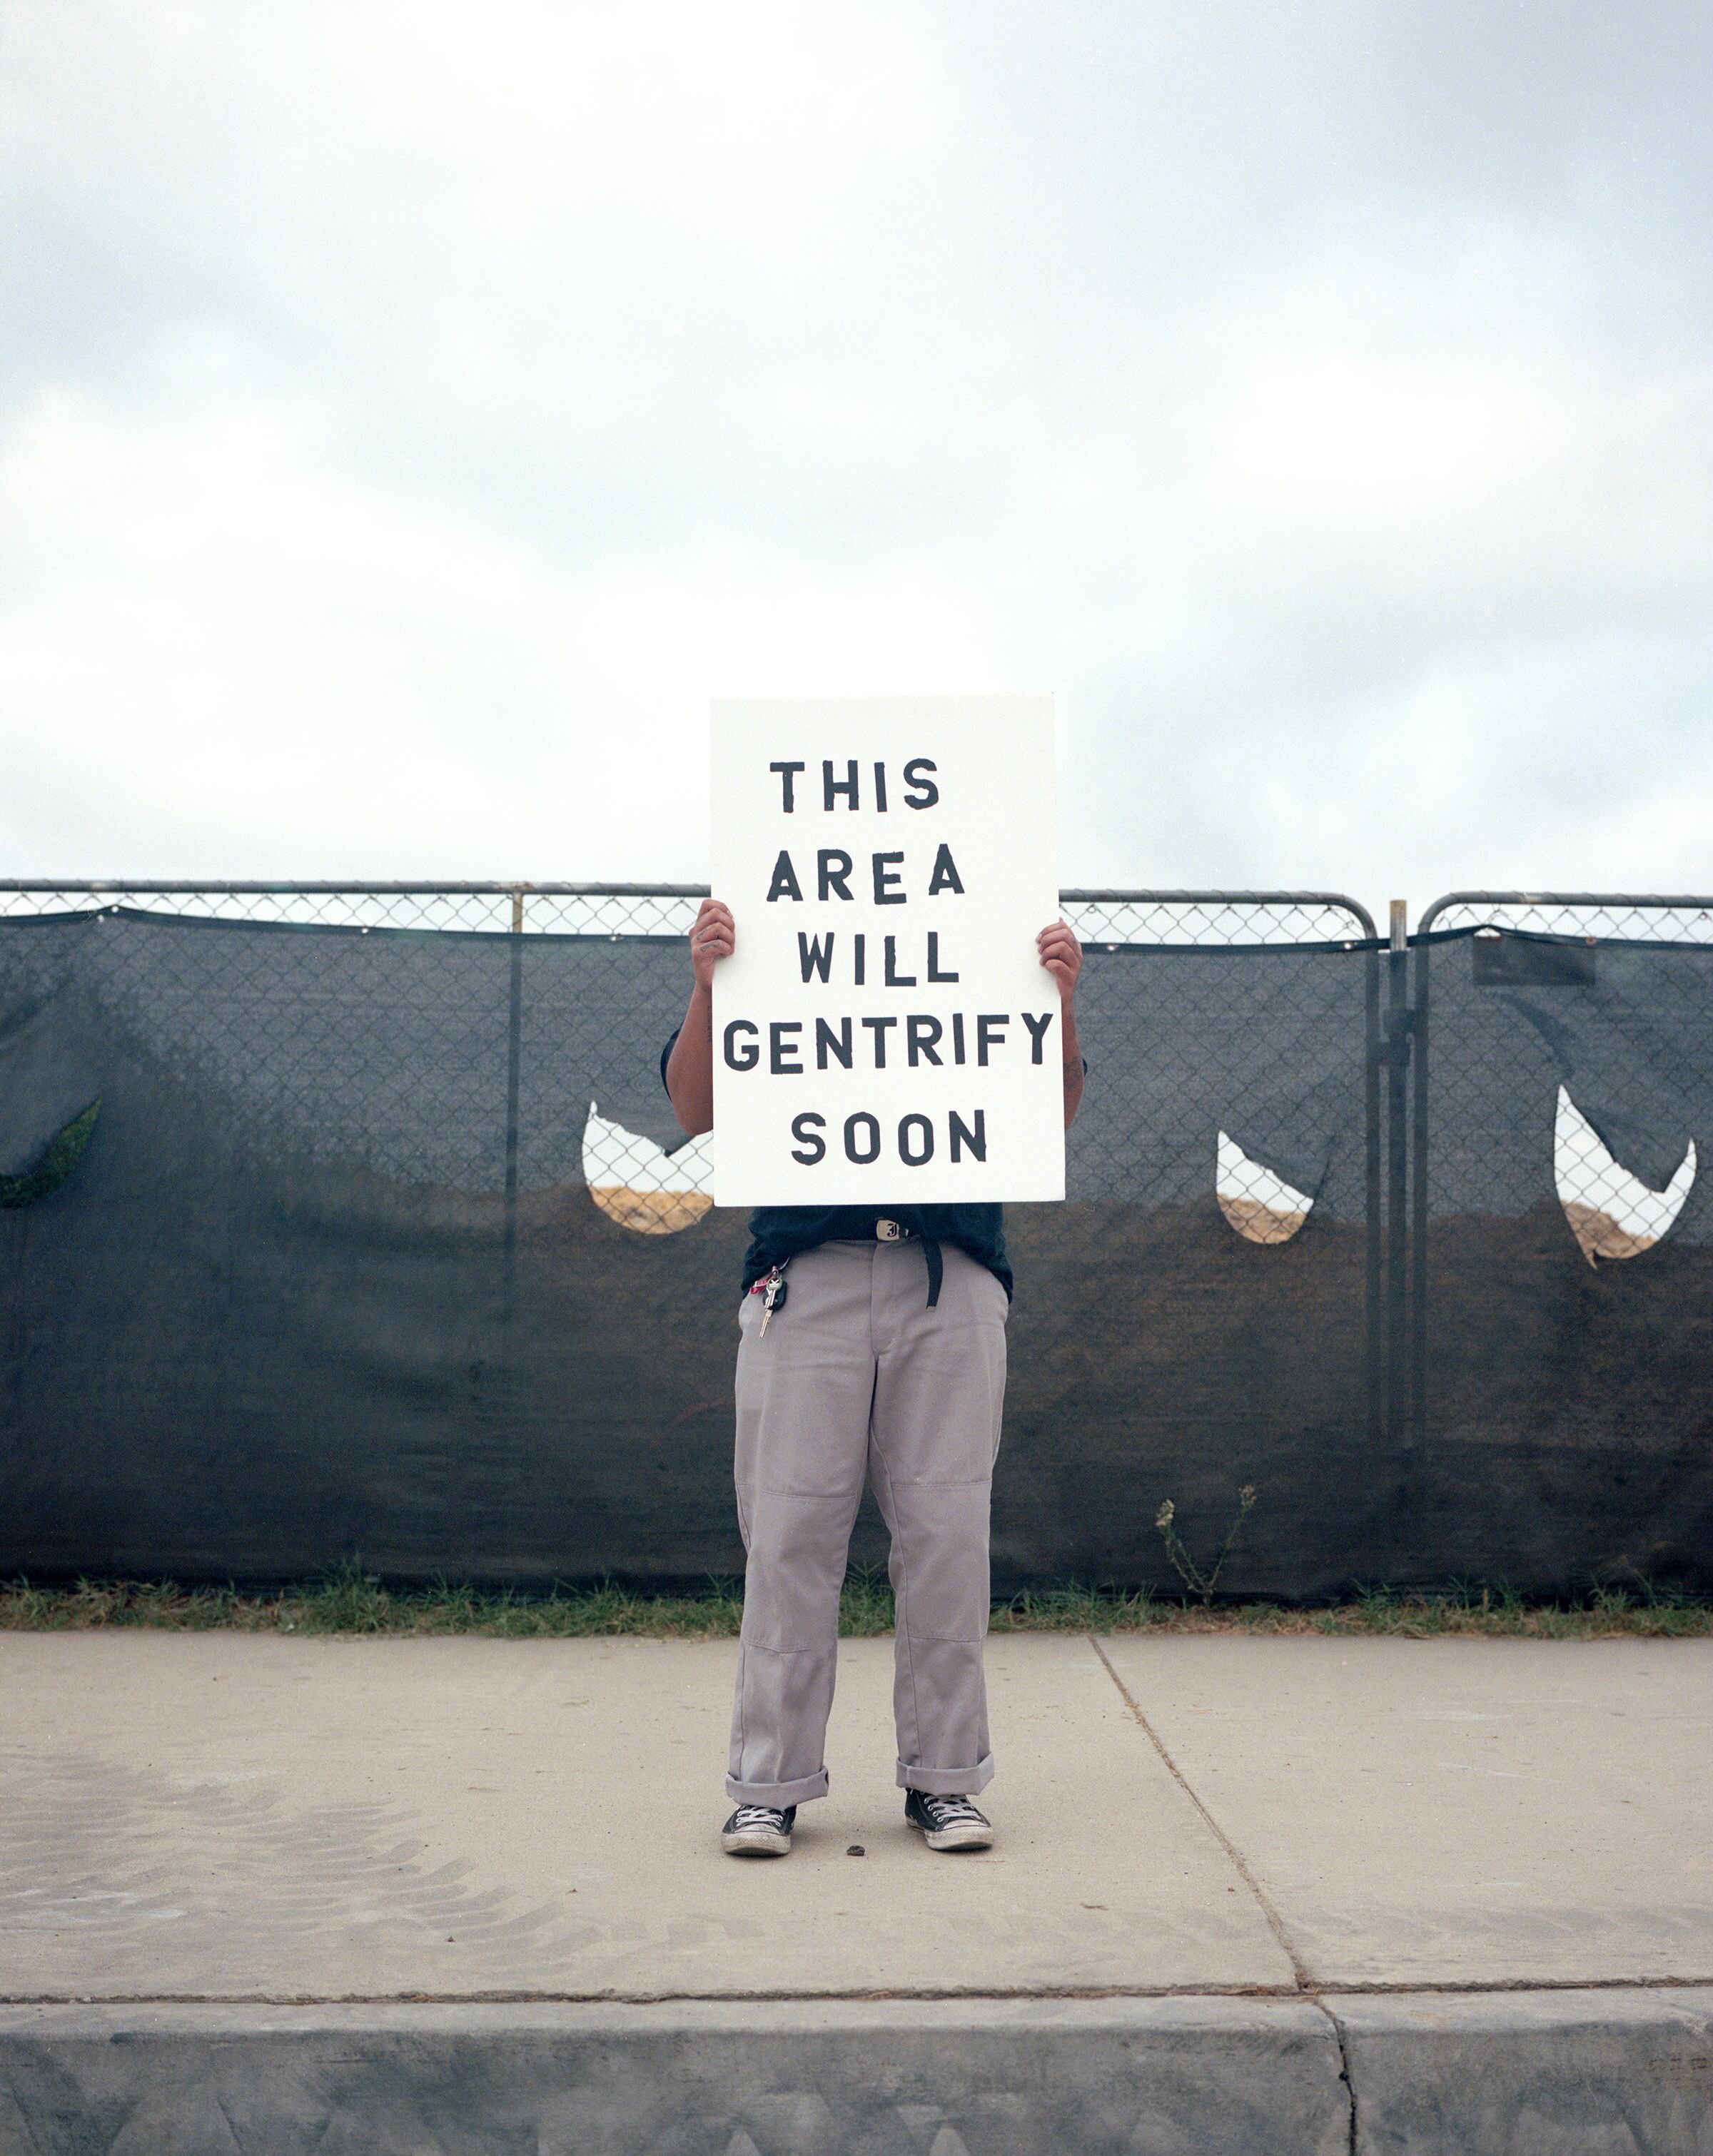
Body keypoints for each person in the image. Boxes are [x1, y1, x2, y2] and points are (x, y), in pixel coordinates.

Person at [663, 899, 1083, 1857]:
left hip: (952, 1272)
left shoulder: (980, 923)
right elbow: (695, 1107)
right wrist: (707, 981)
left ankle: (944, 1779)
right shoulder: (774, 934)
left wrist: (1055, 995)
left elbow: (1045, 1115)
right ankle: (767, 1781)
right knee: (789, 1534)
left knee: (946, 1534)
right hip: (805, 1276)